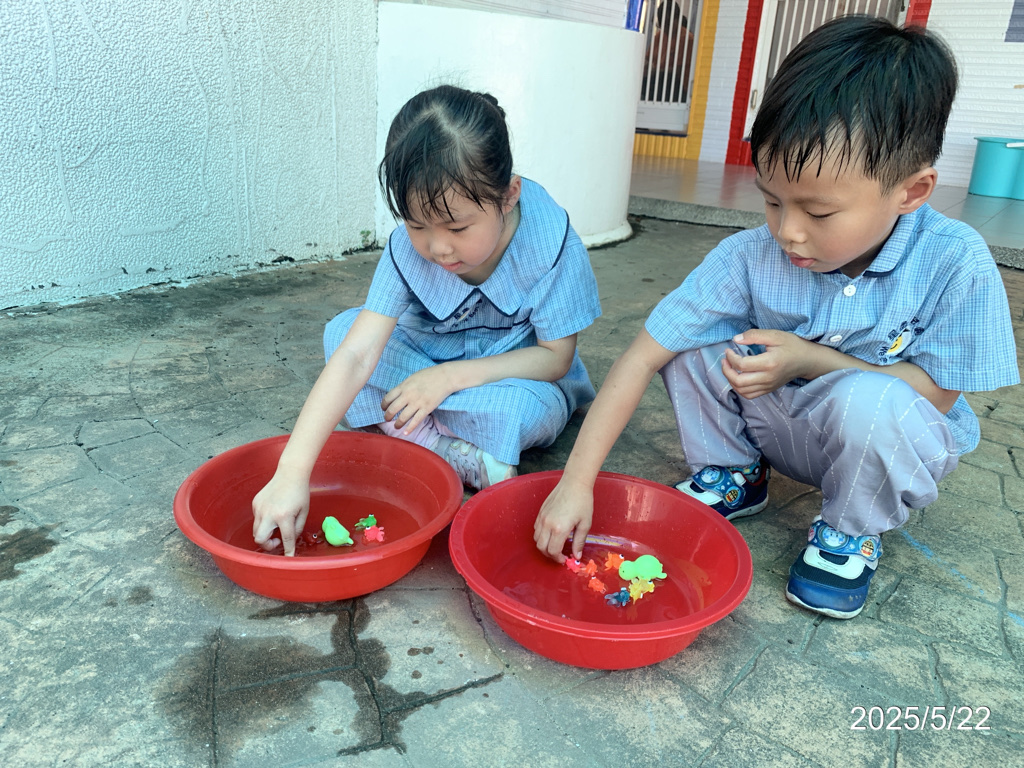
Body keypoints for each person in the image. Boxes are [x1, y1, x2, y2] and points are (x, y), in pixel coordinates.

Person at [534, 16, 1019, 619]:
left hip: (877, 444)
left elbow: (937, 396)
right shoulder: (748, 256)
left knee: (875, 403)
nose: (787, 231)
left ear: (912, 192)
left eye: (819, 212)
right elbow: (643, 354)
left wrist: (810, 359)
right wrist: (575, 482)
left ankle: (848, 531)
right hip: (777, 423)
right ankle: (734, 473)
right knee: (690, 342)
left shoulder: (955, 261)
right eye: (771, 199)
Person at [254, 84, 601, 555]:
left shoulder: (551, 243)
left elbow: (556, 358)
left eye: (457, 228)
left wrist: (446, 379)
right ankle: (446, 450)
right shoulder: (408, 249)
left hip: (510, 375)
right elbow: (357, 354)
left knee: (517, 413)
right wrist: (291, 472)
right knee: (341, 335)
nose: (437, 247)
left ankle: (415, 435)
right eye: (417, 225)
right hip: (424, 358)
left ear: (508, 195)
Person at [642, 2, 695, 104]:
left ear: (677, 19)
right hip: (657, 80)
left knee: (664, 78)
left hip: (676, 86)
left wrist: (654, 71)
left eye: (668, 23)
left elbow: (677, 71)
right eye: (662, 25)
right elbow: (648, 60)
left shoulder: (687, 39)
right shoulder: (660, 36)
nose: (665, 28)